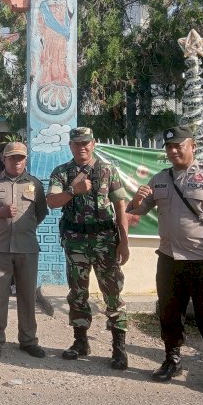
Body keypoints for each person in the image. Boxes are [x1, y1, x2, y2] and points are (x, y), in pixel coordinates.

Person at [127, 126, 203, 397]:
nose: (173, 151)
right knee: (169, 312)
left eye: (179, 145)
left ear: (192, 146)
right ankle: (172, 359)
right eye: (169, 147)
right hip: (169, 260)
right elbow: (134, 214)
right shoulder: (160, 179)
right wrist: (136, 199)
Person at [46, 126, 130, 370]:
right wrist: (73, 190)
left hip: (105, 241)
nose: (81, 147)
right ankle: (80, 342)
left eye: (86, 143)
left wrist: (124, 242)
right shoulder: (62, 172)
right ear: (70, 146)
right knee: (77, 293)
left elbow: (121, 206)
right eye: (77, 143)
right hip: (75, 242)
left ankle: (119, 349)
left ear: (93, 144)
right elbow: (52, 202)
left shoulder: (107, 170)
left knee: (112, 293)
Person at [0, 142, 48, 360]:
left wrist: (24, 229)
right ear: (4, 159)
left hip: (27, 248)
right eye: (12, 158)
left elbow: (41, 213)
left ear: (26, 160)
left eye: (21, 158)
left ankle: (28, 340)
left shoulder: (35, 184)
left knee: (27, 296)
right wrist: (0, 213)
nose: (17, 161)